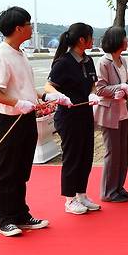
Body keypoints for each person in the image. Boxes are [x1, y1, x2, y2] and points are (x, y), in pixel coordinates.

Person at [0, 6, 65, 236]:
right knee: (5, 170)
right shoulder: (0, 54)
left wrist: (44, 97)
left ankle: (20, 214)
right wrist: (17, 103)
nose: (31, 27)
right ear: (19, 28)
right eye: (29, 23)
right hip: (7, 120)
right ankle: (4, 219)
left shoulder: (19, 52)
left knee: (21, 170)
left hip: (25, 118)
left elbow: (23, 88)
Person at [45, 23, 101, 215]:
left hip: (85, 114)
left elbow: (92, 84)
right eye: (91, 37)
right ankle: (69, 199)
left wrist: (93, 94)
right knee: (72, 157)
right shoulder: (63, 62)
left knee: (86, 155)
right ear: (81, 40)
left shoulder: (88, 60)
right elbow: (48, 86)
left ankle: (82, 194)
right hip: (68, 117)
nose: (93, 41)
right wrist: (59, 97)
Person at [94, 26, 128, 202]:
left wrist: (126, 84)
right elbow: (100, 88)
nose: (127, 41)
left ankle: (119, 187)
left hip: (122, 111)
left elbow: (122, 82)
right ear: (118, 41)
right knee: (112, 152)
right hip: (109, 112)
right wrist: (120, 87)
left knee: (122, 152)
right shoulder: (103, 62)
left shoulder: (122, 61)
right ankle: (108, 192)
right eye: (125, 38)